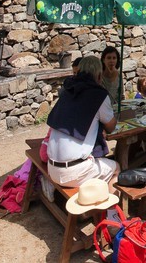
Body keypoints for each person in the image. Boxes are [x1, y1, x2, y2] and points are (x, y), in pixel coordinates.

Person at [44, 56, 118, 188]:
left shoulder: (67, 90)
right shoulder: (98, 95)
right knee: (116, 168)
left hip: (52, 167)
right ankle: (111, 209)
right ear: (99, 75)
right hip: (74, 172)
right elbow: (111, 127)